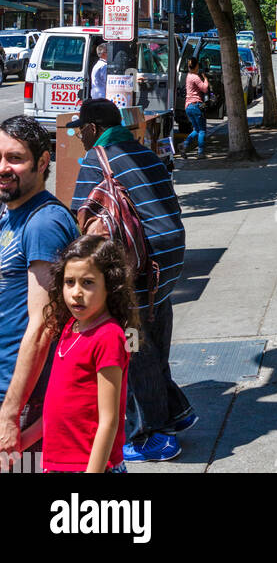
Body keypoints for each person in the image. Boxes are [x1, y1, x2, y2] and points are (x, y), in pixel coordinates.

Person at [68, 100, 193, 464]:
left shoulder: (98, 159)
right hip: (165, 268)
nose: (78, 135)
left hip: (136, 270)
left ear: (93, 128)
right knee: (150, 340)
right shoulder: (145, 153)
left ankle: (153, 435)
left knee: (132, 348)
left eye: (80, 129)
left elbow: (81, 223)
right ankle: (177, 411)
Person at [0, 117, 79, 459]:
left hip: (27, 398)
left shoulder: (44, 223)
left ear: (43, 162)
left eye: (15, 158)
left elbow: (44, 323)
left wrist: (10, 412)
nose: (3, 167)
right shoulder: (10, 211)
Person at [40, 234, 137, 474]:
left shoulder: (108, 337)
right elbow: (55, 407)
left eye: (88, 282)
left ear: (110, 286)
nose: (76, 292)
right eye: (69, 282)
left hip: (91, 466)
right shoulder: (70, 328)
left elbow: (109, 420)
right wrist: (22, 439)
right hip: (58, 464)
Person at [181, 55, 209, 158]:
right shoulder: (195, 77)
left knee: (196, 130)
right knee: (202, 130)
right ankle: (200, 152)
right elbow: (205, 89)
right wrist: (205, 79)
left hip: (188, 106)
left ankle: (184, 145)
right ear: (196, 66)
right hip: (196, 105)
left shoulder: (188, 76)